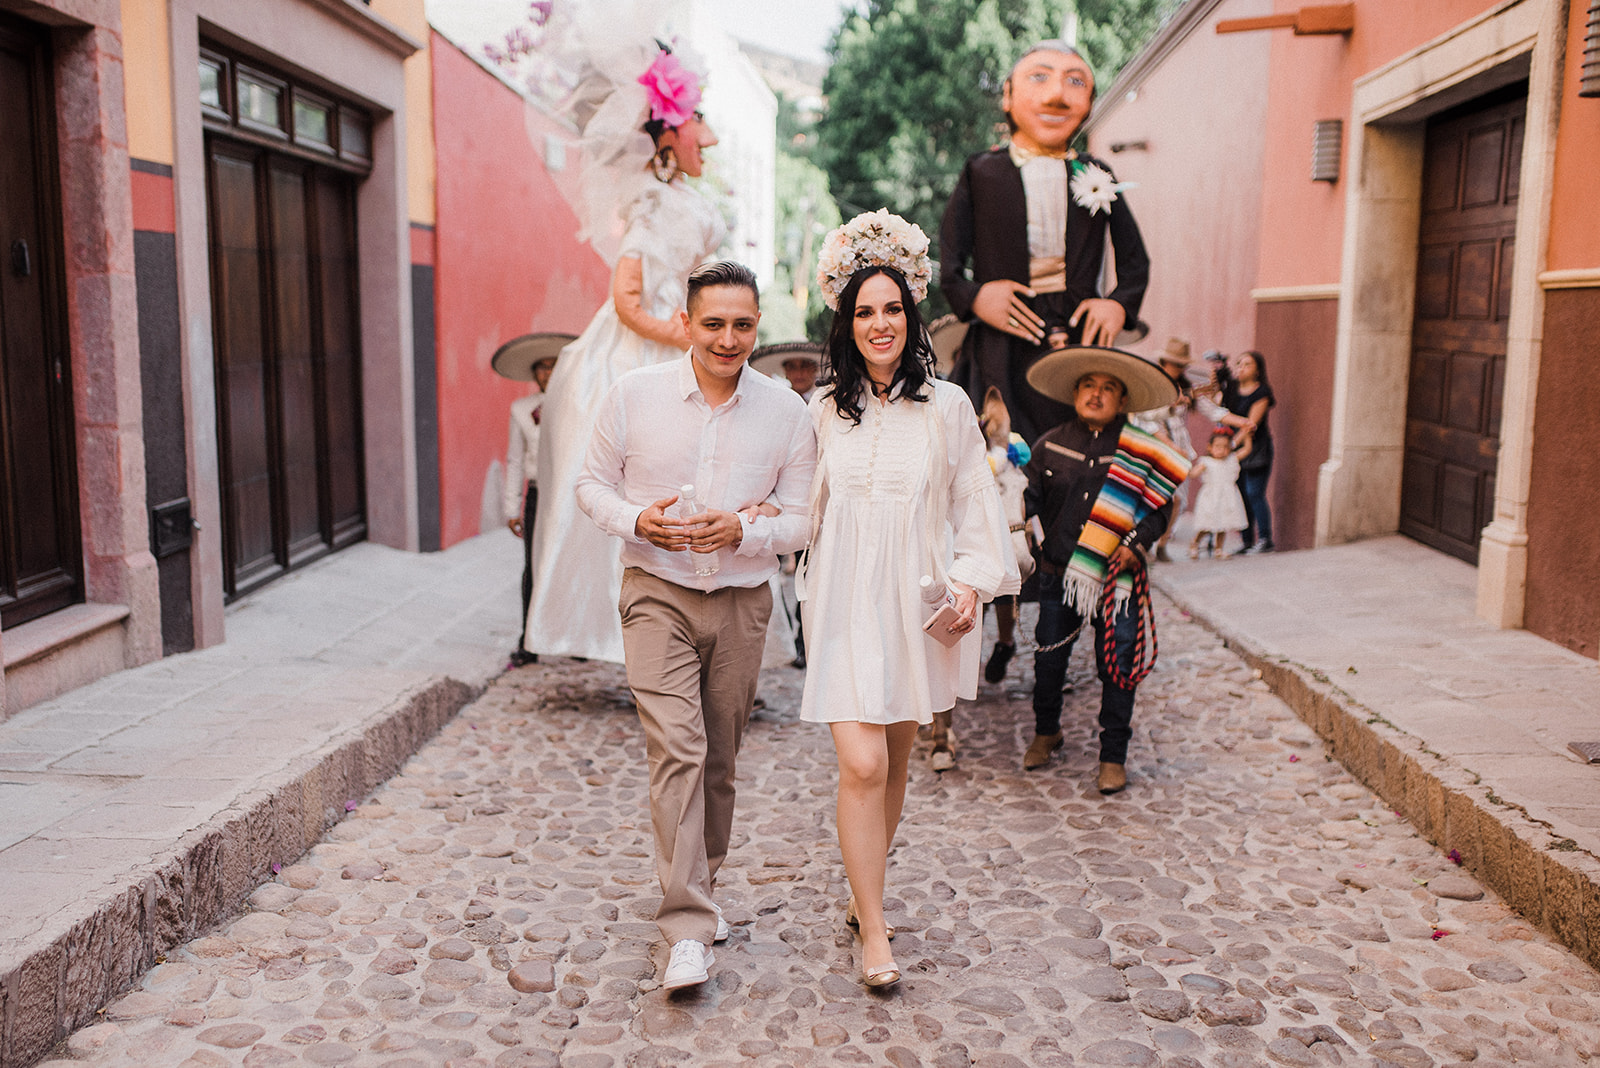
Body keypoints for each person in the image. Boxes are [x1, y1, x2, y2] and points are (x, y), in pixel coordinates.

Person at [575, 262, 816, 991]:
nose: (728, 338)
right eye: (713, 323)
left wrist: (743, 528)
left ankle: (700, 885)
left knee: (719, 759)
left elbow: (806, 517)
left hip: (744, 603)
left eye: (742, 324)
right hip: (656, 592)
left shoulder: (786, 412)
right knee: (677, 749)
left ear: (757, 328)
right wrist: (636, 520)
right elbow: (590, 483)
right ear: (686, 323)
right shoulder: (633, 396)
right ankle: (685, 927)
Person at [799, 211, 1018, 987]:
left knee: (893, 765)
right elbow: (800, 509)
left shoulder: (949, 407)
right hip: (842, 602)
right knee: (859, 762)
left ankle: (865, 894)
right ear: (845, 320)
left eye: (892, 308)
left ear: (912, 313)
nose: (880, 322)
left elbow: (974, 504)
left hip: (914, 603)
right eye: (864, 310)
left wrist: (970, 582)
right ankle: (876, 934)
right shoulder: (822, 410)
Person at [526, 37, 726, 663]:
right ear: (669, 135)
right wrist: (690, 335)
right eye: (699, 123)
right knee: (632, 488)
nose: (710, 138)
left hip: (688, 345)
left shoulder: (695, 207)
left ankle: (692, 618)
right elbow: (628, 303)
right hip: (637, 360)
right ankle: (620, 632)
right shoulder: (649, 207)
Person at [939, 40, 1150, 447]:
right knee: (996, 442)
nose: (1056, 95)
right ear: (1008, 94)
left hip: (1076, 338)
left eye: (1075, 82)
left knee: (1073, 443)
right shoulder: (982, 171)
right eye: (1039, 77)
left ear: (1089, 101)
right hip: (1000, 340)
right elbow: (950, 261)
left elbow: (1135, 260)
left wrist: (1118, 304)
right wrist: (976, 296)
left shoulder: (1096, 172)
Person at [1021, 345, 1190, 793]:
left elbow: (1159, 510)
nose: (1096, 395)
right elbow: (1029, 503)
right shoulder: (1049, 444)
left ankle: (1113, 755)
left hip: (1119, 578)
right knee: (1048, 660)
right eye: (1089, 386)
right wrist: (1026, 542)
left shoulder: (1140, 451)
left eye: (1108, 388)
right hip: (1059, 575)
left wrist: (1137, 544)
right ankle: (1046, 732)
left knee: (1117, 664)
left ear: (1122, 400)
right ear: (1075, 393)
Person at [492, 341, 563, 667]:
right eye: (542, 367)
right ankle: (528, 640)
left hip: (570, 494)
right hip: (537, 492)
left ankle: (573, 637)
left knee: (570, 563)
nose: (549, 372)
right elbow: (515, 460)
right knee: (532, 565)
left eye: (554, 365)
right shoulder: (521, 409)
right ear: (534, 373)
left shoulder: (579, 403)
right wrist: (511, 507)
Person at [1130, 337, 1197, 563]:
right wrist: (1170, 444)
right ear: (1164, 362)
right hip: (1155, 446)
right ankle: (1144, 542)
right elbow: (1144, 418)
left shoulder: (1185, 388)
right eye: (1175, 364)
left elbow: (1210, 409)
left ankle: (1163, 543)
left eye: (1182, 365)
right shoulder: (1151, 384)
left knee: (1177, 499)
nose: (1179, 369)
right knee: (1152, 496)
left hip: (1178, 446)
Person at [1217, 350, 1276, 553]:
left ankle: (1265, 538)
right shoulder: (1232, 389)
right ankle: (1247, 541)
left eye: (1248, 364)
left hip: (1256, 448)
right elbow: (1219, 410)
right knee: (1241, 494)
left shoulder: (1262, 393)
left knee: (1254, 492)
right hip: (1233, 450)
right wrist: (1217, 380)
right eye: (1239, 363)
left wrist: (1231, 446)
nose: (1242, 368)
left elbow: (1250, 424)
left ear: (1258, 370)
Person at [1188, 430, 1252, 559]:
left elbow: (1246, 450)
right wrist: (1189, 467)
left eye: (1225, 447)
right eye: (1217, 446)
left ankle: (1219, 549)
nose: (1221, 450)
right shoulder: (1206, 462)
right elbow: (1193, 473)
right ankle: (1195, 543)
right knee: (1207, 524)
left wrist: (1247, 434)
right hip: (1211, 498)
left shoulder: (1231, 459)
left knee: (1223, 524)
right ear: (1209, 447)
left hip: (1227, 497)